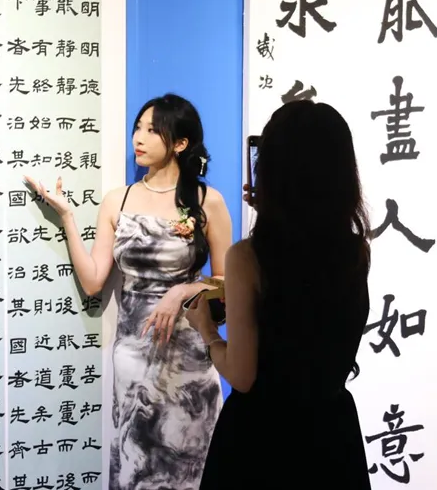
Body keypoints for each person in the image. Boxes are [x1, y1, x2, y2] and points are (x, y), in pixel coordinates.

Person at [24, 93, 232, 489]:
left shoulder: (208, 202)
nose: (138, 137)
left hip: (189, 363)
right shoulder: (117, 200)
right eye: (138, 127)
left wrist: (182, 291)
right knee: (136, 468)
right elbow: (93, 281)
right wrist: (67, 216)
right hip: (133, 362)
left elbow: (225, 282)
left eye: (153, 130)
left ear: (180, 143)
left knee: (192, 467)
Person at [186, 100, 373, 489]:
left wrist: (207, 331)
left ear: (269, 171)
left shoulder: (248, 258)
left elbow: (243, 376)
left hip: (261, 442)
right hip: (331, 438)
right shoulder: (355, 251)